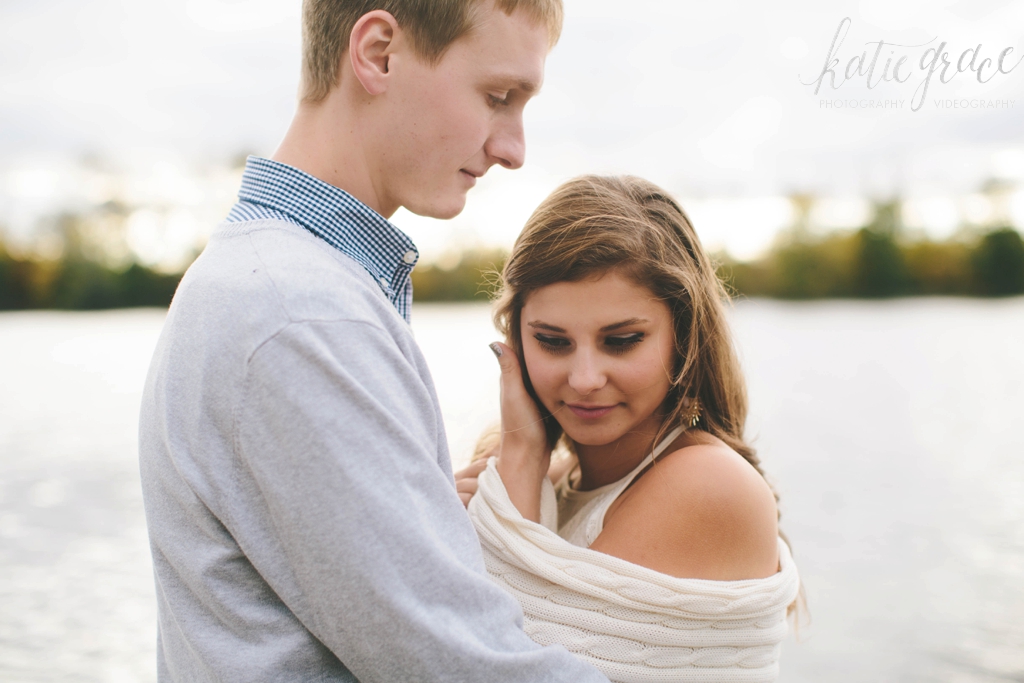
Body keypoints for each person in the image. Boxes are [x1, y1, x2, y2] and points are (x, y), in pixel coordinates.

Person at [138, 1, 610, 681]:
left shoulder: (274, 281)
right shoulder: (300, 313)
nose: (513, 148)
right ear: (379, 53)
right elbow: (457, 663)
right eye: (497, 97)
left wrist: (432, 522)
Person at [458, 175, 801, 682]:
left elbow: (497, 664)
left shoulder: (708, 482)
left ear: (682, 336)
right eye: (553, 341)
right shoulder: (548, 481)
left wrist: (515, 478)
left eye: (621, 341)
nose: (585, 379)